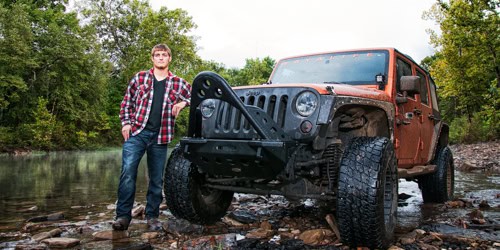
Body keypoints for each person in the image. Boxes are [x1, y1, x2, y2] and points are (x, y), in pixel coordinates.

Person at [113, 44, 191, 231]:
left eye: (164, 55)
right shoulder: (140, 78)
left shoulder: (178, 83)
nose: (161, 58)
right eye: (157, 55)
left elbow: (198, 95)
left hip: (161, 136)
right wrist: (125, 122)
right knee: (127, 174)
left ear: (169, 58)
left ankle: (152, 216)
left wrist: (183, 102)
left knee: (156, 179)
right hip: (137, 133)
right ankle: (123, 216)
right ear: (152, 59)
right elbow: (127, 102)